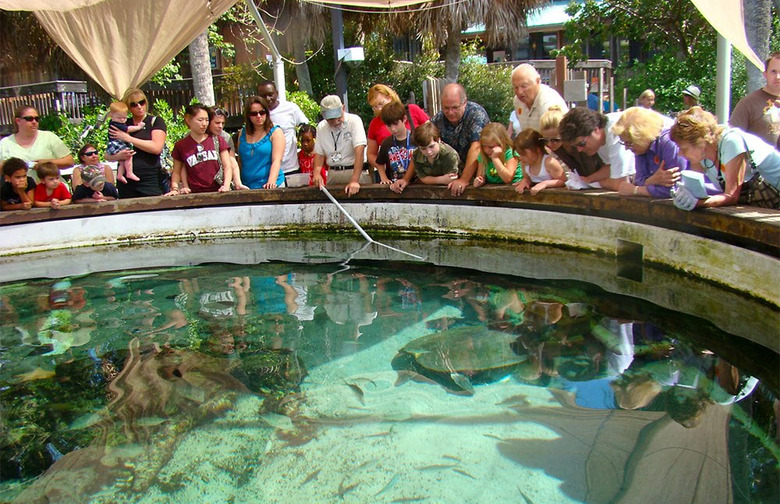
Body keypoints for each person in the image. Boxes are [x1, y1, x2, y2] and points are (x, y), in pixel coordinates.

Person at [669, 106, 780, 210]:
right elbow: (697, 191)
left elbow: (731, 196)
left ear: (700, 142)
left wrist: (697, 203)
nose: (680, 154)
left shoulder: (731, 141)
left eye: (683, 148)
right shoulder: (702, 155)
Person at [610, 107, 697, 198]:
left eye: (629, 143)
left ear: (642, 136)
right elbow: (639, 180)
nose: (627, 148)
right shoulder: (641, 149)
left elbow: (674, 189)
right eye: (624, 143)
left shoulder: (669, 142)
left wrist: (637, 190)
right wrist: (652, 180)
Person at [105, 88, 167, 198]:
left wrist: (128, 138)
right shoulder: (123, 123)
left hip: (150, 178)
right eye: (134, 104)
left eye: (141, 102)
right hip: (126, 181)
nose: (139, 106)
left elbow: (156, 147)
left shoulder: (155, 121)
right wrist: (118, 156)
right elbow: (108, 154)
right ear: (128, 107)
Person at [431, 83, 490, 196]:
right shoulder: (438, 119)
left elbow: (476, 147)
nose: (450, 112)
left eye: (455, 108)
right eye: (446, 108)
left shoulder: (476, 114)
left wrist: (464, 180)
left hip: (480, 173)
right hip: (452, 174)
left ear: (464, 103)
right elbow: (423, 142)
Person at [558, 107, 635, 191]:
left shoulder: (615, 131)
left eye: (581, 144)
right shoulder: (600, 140)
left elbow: (620, 184)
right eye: (575, 146)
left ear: (595, 130)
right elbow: (611, 167)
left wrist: (596, 184)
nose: (579, 150)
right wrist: (588, 179)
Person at [166, 104, 233, 195]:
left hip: (218, 191)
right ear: (188, 120)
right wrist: (175, 188)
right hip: (194, 194)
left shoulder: (218, 140)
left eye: (207, 120)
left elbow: (227, 166)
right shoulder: (181, 145)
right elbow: (177, 171)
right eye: (200, 120)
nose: (204, 124)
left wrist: (226, 185)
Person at [311, 95, 369, 196]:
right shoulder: (321, 127)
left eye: (338, 117)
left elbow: (359, 150)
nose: (336, 122)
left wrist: (355, 180)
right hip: (334, 172)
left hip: (354, 170)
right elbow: (319, 154)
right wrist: (316, 174)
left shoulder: (354, 121)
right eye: (331, 119)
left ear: (343, 108)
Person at [366, 84, 428, 175]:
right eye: (375, 106)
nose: (379, 108)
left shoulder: (412, 110)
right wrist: (381, 169)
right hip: (395, 173)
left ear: (389, 98)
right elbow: (371, 154)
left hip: (422, 171)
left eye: (381, 103)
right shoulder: (375, 124)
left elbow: (431, 132)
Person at [538, 105, 606, 186]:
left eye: (555, 140)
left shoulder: (583, 144)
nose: (550, 144)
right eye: (546, 140)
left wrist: (589, 180)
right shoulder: (559, 149)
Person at [390, 122, 459, 194]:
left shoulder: (449, 155)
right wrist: (441, 179)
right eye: (423, 149)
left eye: (431, 146)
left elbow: (451, 179)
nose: (428, 152)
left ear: (438, 140)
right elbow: (423, 178)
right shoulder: (417, 154)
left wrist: (443, 180)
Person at [256, 81, 309, 175]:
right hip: (267, 170)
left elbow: (306, 128)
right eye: (263, 96)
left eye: (270, 94)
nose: (267, 99)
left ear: (276, 93)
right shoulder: (256, 114)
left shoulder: (291, 108)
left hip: (290, 167)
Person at [730, 51, 780, 149]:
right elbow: (731, 140)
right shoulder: (748, 103)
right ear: (765, 74)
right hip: (760, 163)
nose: (778, 77)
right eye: (773, 72)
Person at [0, 105, 74, 169]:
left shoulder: (49, 137)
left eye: (37, 119)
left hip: (49, 185)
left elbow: (69, 161)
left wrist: (47, 163)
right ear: (18, 121)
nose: (34, 122)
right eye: (29, 119)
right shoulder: (5, 143)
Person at [236, 96, 285, 189]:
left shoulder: (276, 132)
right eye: (254, 114)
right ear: (248, 116)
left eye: (262, 112)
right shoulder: (242, 133)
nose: (258, 116)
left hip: (270, 185)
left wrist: (271, 182)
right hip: (247, 186)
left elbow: (277, 160)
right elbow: (240, 161)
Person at [511, 63, 569, 132]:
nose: (519, 92)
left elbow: (552, 137)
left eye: (524, 86)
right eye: (516, 87)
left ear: (538, 81)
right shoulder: (517, 101)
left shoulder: (548, 101)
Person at [513, 128, 565, 195]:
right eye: (519, 154)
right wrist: (526, 181)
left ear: (537, 150)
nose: (520, 157)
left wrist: (545, 183)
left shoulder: (549, 163)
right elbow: (528, 178)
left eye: (523, 154)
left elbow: (563, 180)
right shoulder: (525, 164)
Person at [375, 100, 416, 184]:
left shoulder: (416, 139)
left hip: (416, 185)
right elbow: (379, 163)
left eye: (396, 124)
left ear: (404, 119)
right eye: (389, 125)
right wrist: (384, 178)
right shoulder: (386, 143)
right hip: (394, 185)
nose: (393, 129)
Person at [473, 122, 522, 187]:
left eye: (491, 147)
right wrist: (480, 181)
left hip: (513, 188)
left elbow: (508, 179)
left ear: (502, 143)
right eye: (484, 146)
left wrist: (495, 159)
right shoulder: (483, 155)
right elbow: (481, 176)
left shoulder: (510, 153)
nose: (487, 150)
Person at [106, 101, 145, 184]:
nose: (123, 120)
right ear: (111, 116)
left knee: (122, 161)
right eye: (119, 118)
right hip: (116, 144)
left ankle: (120, 175)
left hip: (113, 144)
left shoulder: (112, 122)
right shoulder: (117, 124)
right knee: (128, 156)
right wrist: (139, 127)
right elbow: (128, 129)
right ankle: (129, 172)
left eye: (125, 118)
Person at [209, 108, 247, 190]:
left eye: (223, 123)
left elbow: (232, 160)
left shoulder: (225, 137)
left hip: (221, 182)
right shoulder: (194, 136)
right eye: (217, 123)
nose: (220, 126)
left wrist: (238, 183)